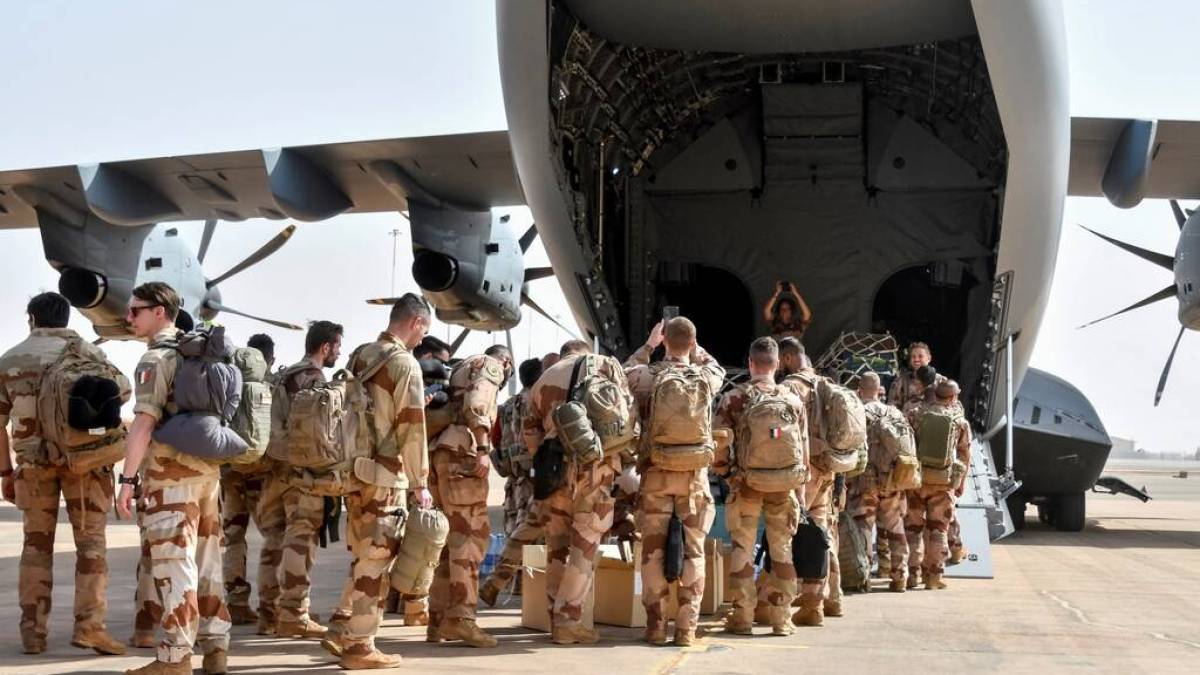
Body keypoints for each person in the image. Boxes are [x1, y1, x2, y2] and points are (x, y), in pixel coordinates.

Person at [0, 292, 129, 657]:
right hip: (85, 464)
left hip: (34, 467)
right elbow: (122, 391)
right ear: (67, 319)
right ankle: (90, 628)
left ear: (31, 319)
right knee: (91, 546)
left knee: (35, 547)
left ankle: (33, 633)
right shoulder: (88, 353)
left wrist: (5, 472)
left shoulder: (10, 360)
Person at [115, 282, 230, 675]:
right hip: (207, 475)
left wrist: (127, 480)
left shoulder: (156, 358)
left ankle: (175, 657)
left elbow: (143, 423)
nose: (128, 317)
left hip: (170, 479)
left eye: (135, 310)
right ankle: (216, 649)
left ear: (159, 311)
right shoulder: (196, 351)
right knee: (209, 563)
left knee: (175, 565)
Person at [326, 294, 433, 669]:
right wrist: (420, 482)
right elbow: (412, 428)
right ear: (416, 322)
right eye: (424, 331)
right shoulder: (405, 364)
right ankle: (360, 646)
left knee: (363, 554)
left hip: (356, 472)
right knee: (378, 558)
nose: (422, 338)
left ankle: (342, 627)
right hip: (385, 477)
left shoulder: (362, 355)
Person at [522, 339, 634, 644]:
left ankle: (555, 616)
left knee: (557, 546)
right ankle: (568, 619)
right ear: (586, 350)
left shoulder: (543, 379)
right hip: (595, 470)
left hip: (554, 472)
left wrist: (546, 460)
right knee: (585, 543)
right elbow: (626, 413)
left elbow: (529, 430)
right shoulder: (605, 365)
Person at [624, 318, 724, 646]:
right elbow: (716, 367)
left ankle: (655, 627)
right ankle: (686, 629)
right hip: (693, 476)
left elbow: (622, 374)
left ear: (665, 339)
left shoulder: (647, 376)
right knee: (694, 552)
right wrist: (696, 350)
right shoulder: (706, 376)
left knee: (652, 552)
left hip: (656, 473)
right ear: (692, 343)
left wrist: (649, 346)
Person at [714, 337, 806, 637]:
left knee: (743, 549)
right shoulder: (793, 400)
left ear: (751, 363)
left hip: (747, 485)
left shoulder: (734, 398)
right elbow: (803, 448)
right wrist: (799, 490)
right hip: (784, 486)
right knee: (782, 551)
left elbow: (718, 446)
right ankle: (782, 619)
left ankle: (742, 617)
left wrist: (730, 476)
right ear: (777, 364)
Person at [426, 345, 512, 647]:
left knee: (450, 543)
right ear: (506, 362)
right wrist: (483, 448)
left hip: (440, 454)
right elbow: (478, 404)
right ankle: (463, 618)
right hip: (464, 455)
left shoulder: (461, 368)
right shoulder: (490, 365)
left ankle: (439, 620)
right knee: (470, 540)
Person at [272, 321, 344, 640]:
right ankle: (293, 613)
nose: (339, 353)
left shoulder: (288, 373)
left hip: (282, 466)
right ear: (325, 347)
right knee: (302, 538)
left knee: (290, 536)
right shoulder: (314, 379)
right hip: (305, 471)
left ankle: (287, 608)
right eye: (337, 347)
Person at [479, 358, 544, 606]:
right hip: (536, 478)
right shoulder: (538, 401)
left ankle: (516, 586)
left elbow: (496, 439)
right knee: (533, 534)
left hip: (514, 480)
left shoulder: (507, 406)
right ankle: (527, 588)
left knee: (515, 530)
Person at [905, 380, 971, 590]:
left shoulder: (915, 415)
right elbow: (964, 454)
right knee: (939, 530)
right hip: (943, 483)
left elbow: (906, 445)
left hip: (917, 481)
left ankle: (912, 575)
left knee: (913, 529)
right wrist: (961, 482)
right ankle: (934, 577)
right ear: (953, 397)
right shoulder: (960, 421)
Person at [848, 372, 910, 592]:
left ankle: (863, 578)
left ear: (859, 390)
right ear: (878, 390)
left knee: (863, 528)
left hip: (863, 482)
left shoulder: (856, 412)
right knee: (895, 528)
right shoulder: (893, 412)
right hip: (891, 480)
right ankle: (900, 577)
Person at [888, 342, 946, 408]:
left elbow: (951, 404)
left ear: (929, 358)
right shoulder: (901, 381)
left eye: (920, 356)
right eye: (913, 357)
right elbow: (892, 406)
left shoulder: (940, 381)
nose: (916, 359)